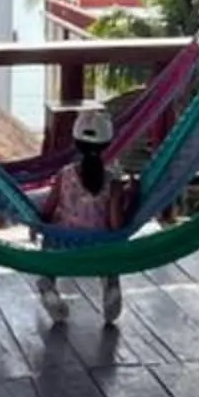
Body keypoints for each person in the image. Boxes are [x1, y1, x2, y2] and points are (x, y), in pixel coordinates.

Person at [30, 101, 131, 330]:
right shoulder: (113, 182)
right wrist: (130, 200)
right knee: (112, 248)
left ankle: (48, 284)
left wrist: (36, 222)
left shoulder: (64, 174)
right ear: (107, 144)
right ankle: (111, 285)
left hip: (63, 243)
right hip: (98, 247)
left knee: (50, 240)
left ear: (76, 143)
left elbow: (49, 209)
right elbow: (116, 225)